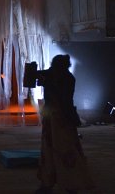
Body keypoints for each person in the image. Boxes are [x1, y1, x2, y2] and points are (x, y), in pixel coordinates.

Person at [36, 54, 95, 193]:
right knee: (65, 148)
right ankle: (69, 183)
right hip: (60, 117)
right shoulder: (66, 78)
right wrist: (73, 118)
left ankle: (54, 182)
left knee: (54, 149)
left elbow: (65, 100)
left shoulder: (54, 76)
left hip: (55, 116)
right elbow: (67, 101)